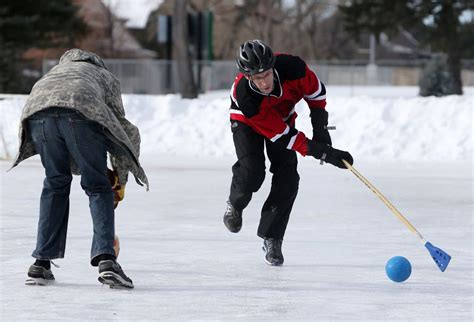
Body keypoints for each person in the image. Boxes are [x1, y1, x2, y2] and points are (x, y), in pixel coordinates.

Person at [10, 49, 149, 288]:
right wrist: (120, 179)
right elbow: (119, 127)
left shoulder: (56, 71)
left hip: (37, 115)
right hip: (80, 114)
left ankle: (40, 263)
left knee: (55, 182)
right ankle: (106, 260)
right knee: (97, 186)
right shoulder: (105, 76)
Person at [224, 39, 353, 266]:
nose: (264, 83)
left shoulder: (294, 68)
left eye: (266, 74)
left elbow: (317, 95)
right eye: (256, 78)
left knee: (289, 177)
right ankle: (235, 204)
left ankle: (272, 237)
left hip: (282, 117)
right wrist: (324, 153)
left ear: (274, 66)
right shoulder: (246, 96)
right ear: (247, 77)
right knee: (253, 172)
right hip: (247, 121)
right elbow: (284, 137)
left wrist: (321, 131)